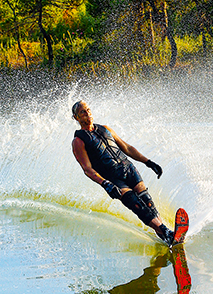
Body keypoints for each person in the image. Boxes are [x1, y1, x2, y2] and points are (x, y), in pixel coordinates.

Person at [71, 100, 175, 246]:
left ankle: (166, 235)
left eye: (88, 109)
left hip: (129, 169)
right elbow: (87, 169)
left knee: (147, 202)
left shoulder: (105, 129)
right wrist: (105, 183)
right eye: (82, 112)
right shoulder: (78, 141)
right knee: (136, 204)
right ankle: (166, 232)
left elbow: (126, 147)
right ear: (76, 118)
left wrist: (148, 162)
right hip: (112, 178)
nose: (87, 113)